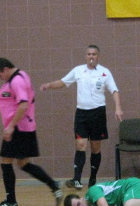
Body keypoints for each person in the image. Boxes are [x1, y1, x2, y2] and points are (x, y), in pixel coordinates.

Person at [40, 45, 123, 190]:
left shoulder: (105, 72)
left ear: (98, 56)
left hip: (98, 113)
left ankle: (92, 178)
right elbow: (63, 82)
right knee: (80, 145)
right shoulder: (78, 70)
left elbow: (114, 90)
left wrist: (118, 107)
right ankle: (76, 179)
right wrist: (49, 85)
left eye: (94, 54)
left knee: (95, 148)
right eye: (89, 54)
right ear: (86, 56)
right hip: (82, 114)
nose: (91, 56)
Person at [0, 57, 63, 206]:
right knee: (23, 163)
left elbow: (23, 104)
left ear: (5, 69)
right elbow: (13, 96)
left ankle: (11, 201)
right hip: (26, 127)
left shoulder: (16, 81)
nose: (0, 78)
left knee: (6, 161)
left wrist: (10, 127)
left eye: (0, 75)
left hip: (18, 128)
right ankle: (53, 185)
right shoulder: (22, 74)